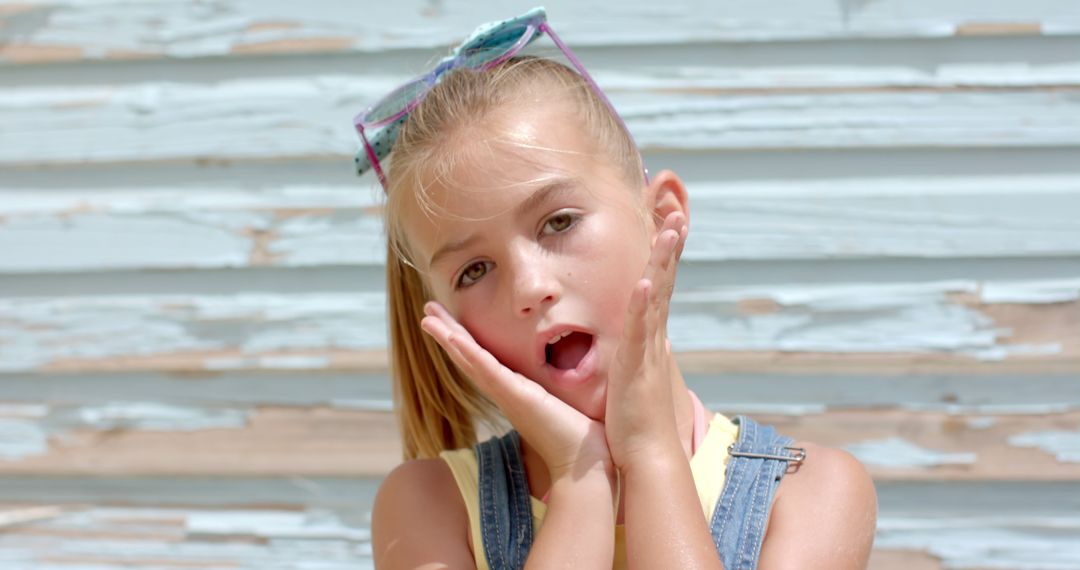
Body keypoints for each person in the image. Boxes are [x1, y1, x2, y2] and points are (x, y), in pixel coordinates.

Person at [359, 8, 878, 569]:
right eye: (474, 271)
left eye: (558, 223)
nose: (529, 289)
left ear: (659, 217)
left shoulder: (811, 493)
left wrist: (651, 454)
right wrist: (580, 482)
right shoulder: (430, 508)